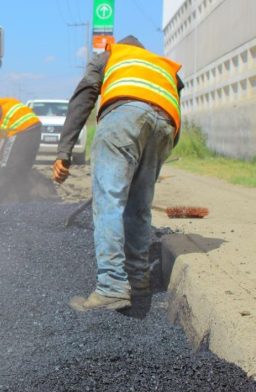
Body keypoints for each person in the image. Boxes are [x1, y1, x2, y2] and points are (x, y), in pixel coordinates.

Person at [52, 35, 184, 312]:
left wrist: (64, 151)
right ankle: (137, 281)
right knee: (139, 207)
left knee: (110, 201)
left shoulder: (109, 55)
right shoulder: (159, 63)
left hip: (124, 117)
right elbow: (175, 95)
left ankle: (111, 287)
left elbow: (83, 98)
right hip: (165, 126)